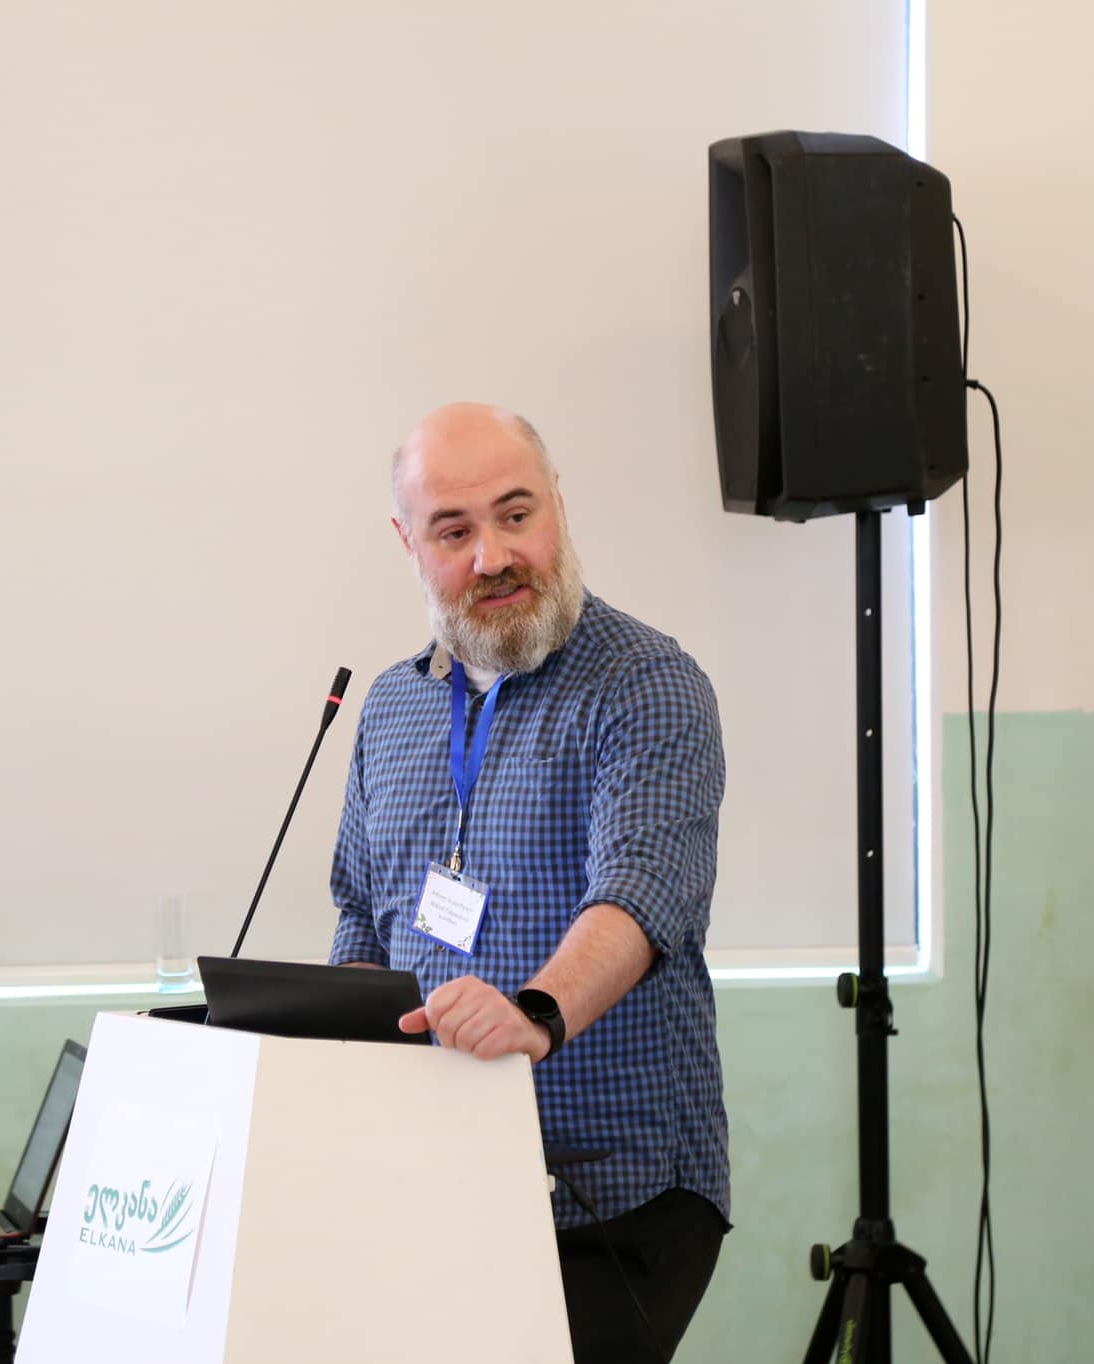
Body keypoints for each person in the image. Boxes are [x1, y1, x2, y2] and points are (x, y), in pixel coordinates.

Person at [328, 402, 730, 1362]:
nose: (494, 557)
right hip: (436, 1185)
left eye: (516, 515)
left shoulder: (645, 684)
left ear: (558, 504)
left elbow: (643, 891)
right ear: (409, 544)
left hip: (612, 1197)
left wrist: (534, 1013)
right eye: (453, 532)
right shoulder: (390, 707)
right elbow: (361, 913)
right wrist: (334, 1040)